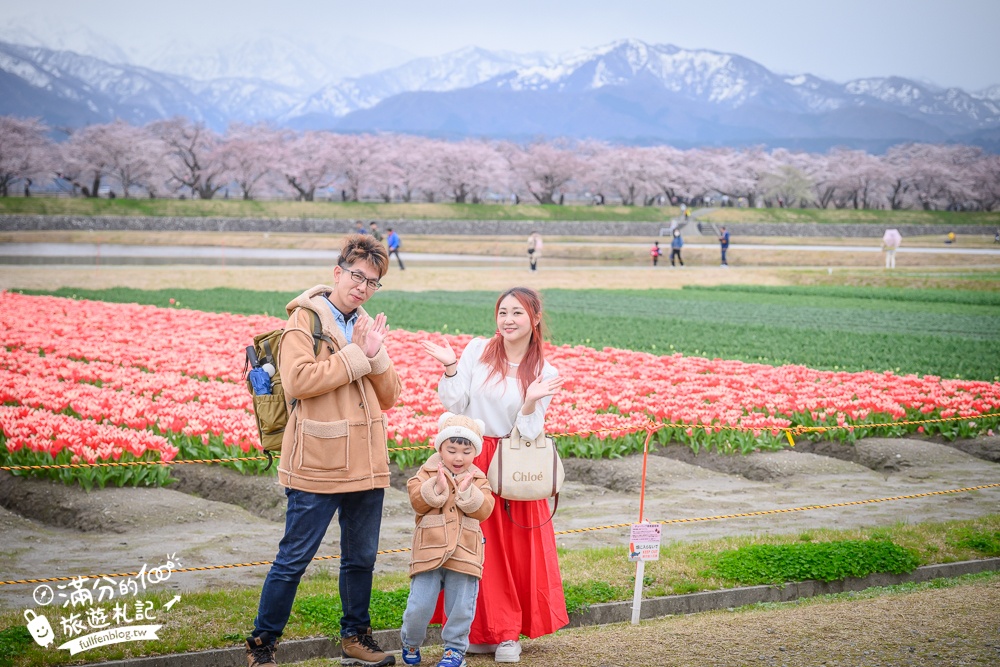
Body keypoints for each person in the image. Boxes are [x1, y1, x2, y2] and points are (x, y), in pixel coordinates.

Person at [245, 234, 401, 667]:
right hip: (318, 459)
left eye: (372, 282)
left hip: (366, 462)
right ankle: (263, 645)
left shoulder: (366, 325)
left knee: (361, 559)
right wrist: (357, 355)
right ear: (338, 272)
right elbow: (297, 381)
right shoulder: (305, 321)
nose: (363, 287)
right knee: (294, 558)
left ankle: (355, 636)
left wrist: (376, 356)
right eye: (357, 276)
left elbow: (389, 397)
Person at [419, 287, 566, 664]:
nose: (508, 320)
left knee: (513, 551)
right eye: (503, 313)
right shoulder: (477, 352)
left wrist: (531, 400)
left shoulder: (543, 371)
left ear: (534, 319)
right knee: (471, 546)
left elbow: (531, 431)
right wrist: (452, 368)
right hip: (472, 459)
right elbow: (455, 404)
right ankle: (478, 630)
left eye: (517, 313)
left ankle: (508, 634)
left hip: (514, 463)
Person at [400, 413, 495, 667]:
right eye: (451, 450)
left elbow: (485, 509)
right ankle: (410, 640)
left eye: (466, 451)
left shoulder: (479, 479)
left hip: (465, 551)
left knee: (461, 606)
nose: (458, 457)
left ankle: (454, 650)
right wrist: (437, 489)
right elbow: (416, 501)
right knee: (419, 604)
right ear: (440, 447)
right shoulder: (426, 472)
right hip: (429, 549)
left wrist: (467, 492)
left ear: (475, 452)